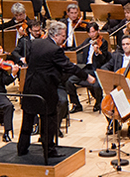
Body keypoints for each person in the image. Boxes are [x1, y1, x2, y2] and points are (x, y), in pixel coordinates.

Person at [18, 21, 94, 158]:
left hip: (30, 87)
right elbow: (69, 66)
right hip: (46, 90)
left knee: (27, 119)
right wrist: (86, 76)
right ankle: (49, 150)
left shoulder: (35, 43)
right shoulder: (55, 50)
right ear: (56, 35)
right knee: (49, 120)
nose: (64, 39)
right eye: (63, 36)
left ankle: (22, 148)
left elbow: (28, 60)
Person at [67, 22, 109, 113]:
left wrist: (97, 52)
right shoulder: (87, 41)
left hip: (96, 69)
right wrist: (65, 50)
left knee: (95, 85)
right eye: (89, 32)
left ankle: (98, 103)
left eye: (93, 32)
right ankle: (76, 104)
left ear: (98, 31)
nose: (92, 34)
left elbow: (103, 59)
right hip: (86, 68)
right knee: (69, 82)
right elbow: (77, 49)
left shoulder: (103, 42)